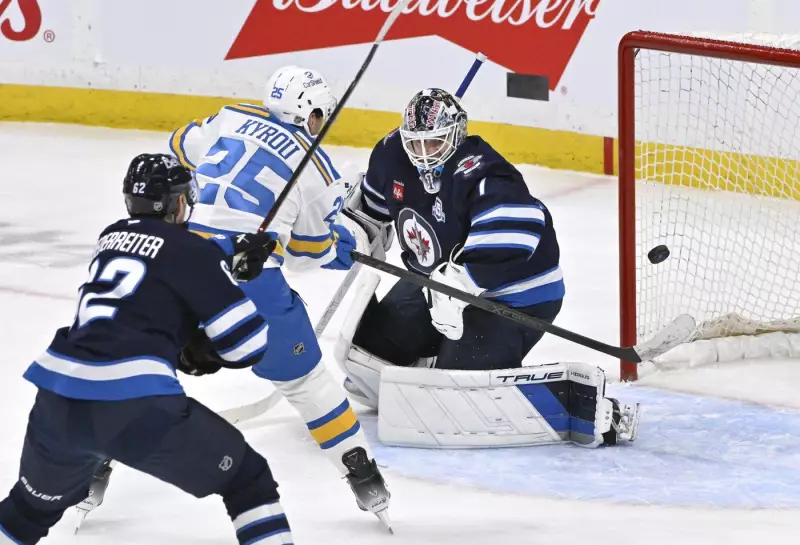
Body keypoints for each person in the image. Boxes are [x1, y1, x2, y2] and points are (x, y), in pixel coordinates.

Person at [0, 154, 294, 544]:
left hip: (58, 399)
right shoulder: (195, 253)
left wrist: (225, 250)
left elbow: (161, 257)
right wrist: (223, 291)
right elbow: (247, 345)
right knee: (248, 480)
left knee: (25, 512)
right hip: (133, 404)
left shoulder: (110, 238)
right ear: (178, 203)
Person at [166, 65, 390, 522]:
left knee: (135, 365)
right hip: (254, 286)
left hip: (180, 271)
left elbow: (178, 147)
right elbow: (309, 252)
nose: (321, 124)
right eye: (320, 115)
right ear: (308, 113)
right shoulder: (316, 168)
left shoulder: (229, 117)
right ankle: (365, 479)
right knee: (307, 384)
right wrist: (347, 245)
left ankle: (94, 468)